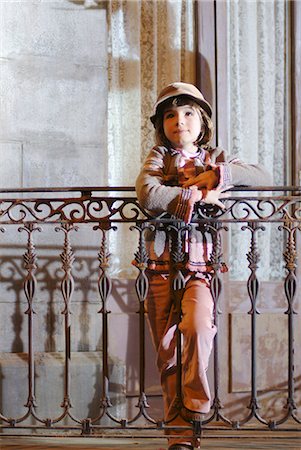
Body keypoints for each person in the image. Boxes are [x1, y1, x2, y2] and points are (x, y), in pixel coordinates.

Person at [135, 82, 271, 450]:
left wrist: (218, 177)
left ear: (203, 121)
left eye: (189, 113)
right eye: (171, 115)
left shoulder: (216, 156)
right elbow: (147, 192)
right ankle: (179, 435)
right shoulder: (159, 156)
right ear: (162, 124)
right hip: (160, 264)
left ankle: (195, 409)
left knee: (196, 328)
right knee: (167, 348)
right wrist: (190, 196)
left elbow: (261, 177)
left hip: (199, 266)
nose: (180, 121)